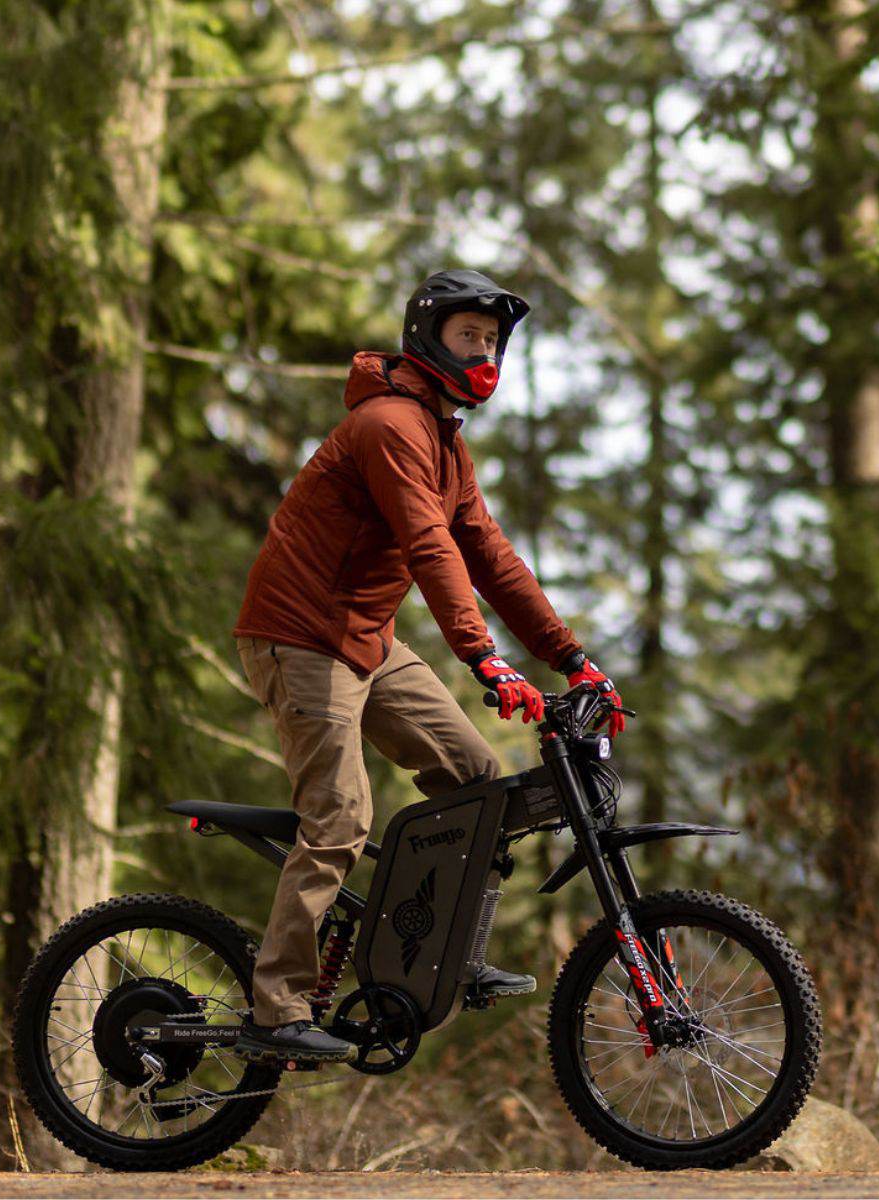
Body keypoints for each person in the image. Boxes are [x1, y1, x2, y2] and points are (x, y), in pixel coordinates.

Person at [231, 268, 627, 1062]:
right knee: (341, 815)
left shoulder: (446, 441)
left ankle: (444, 954)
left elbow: (489, 555)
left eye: (492, 340)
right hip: (299, 637)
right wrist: (485, 658)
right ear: (426, 338)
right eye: (467, 337)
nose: (483, 353)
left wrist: (572, 659)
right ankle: (276, 1009)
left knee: (479, 787)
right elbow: (430, 546)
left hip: (367, 638)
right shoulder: (390, 425)